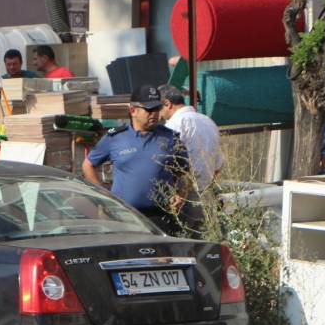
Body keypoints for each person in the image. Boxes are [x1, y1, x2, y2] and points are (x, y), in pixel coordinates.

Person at [82, 85, 190, 233]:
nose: (155, 114)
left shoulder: (170, 138)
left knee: (161, 256)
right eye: (149, 109)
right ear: (133, 111)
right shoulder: (115, 138)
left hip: (160, 217)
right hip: (124, 217)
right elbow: (88, 165)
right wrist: (103, 195)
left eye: (157, 109)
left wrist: (181, 194)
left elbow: (186, 172)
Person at [157, 84, 223, 194]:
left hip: (184, 194)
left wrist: (183, 192)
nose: (158, 115)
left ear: (167, 104)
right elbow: (219, 164)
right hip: (208, 190)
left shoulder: (173, 126)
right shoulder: (208, 121)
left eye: (157, 108)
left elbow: (165, 163)